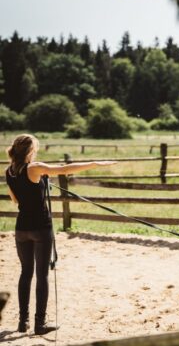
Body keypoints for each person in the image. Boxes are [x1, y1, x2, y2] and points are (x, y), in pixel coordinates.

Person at [5, 134, 116, 335]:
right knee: (42, 275)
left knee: (25, 273)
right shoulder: (34, 168)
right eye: (35, 149)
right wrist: (94, 163)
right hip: (41, 228)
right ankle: (40, 324)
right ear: (30, 151)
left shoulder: (9, 171)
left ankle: (23, 322)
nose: (36, 152)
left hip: (21, 229)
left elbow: (15, 200)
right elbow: (64, 170)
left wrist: (36, 187)